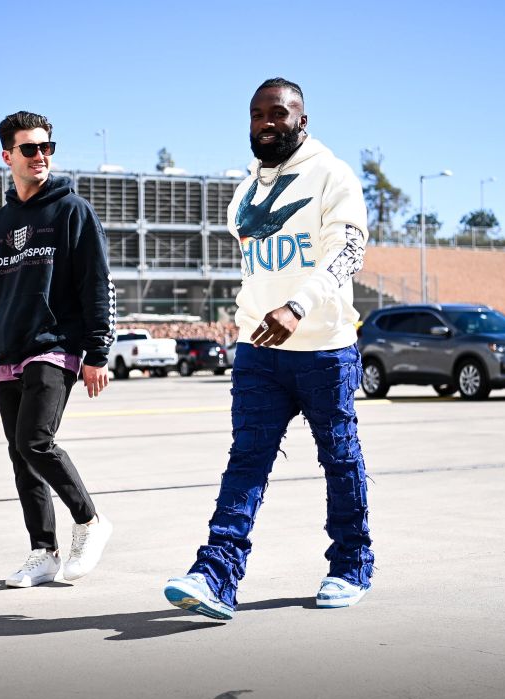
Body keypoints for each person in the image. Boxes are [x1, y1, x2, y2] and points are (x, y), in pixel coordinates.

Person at [164, 78, 374, 619]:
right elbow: (256, 271)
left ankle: (351, 565)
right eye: (257, 115)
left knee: (340, 460)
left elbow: (348, 252)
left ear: (302, 119)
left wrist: (298, 306)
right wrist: (252, 320)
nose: (266, 123)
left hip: (325, 348)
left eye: (278, 114)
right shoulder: (245, 192)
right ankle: (215, 576)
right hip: (259, 353)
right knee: (246, 463)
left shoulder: (333, 174)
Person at [0, 110, 116, 588]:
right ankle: (43, 551)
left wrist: (98, 352)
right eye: (30, 148)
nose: (41, 156)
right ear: (7, 156)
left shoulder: (72, 211)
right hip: (8, 351)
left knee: (34, 440)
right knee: (19, 455)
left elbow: (96, 283)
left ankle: (89, 521)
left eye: (47, 147)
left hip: (55, 345)